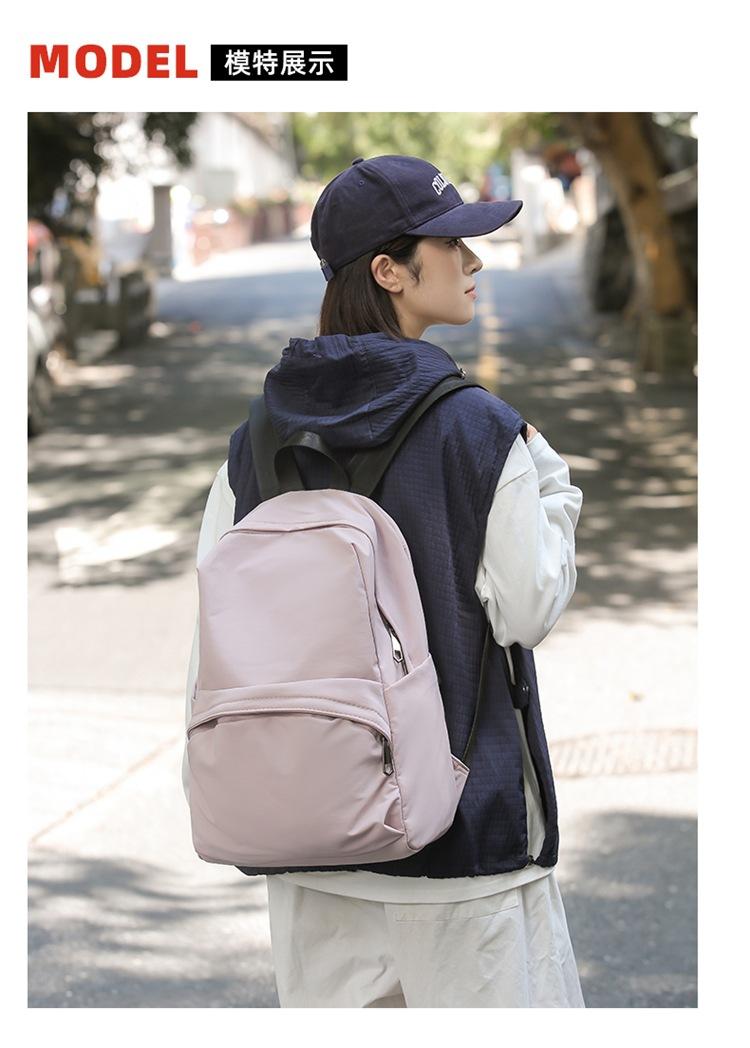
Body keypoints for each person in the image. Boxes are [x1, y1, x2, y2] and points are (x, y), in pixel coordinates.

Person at [182, 154, 585, 1008]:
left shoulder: (253, 444)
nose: (473, 262)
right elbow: (527, 608)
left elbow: (216, 627)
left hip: (308, 844)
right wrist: (552, 487)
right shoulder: (477, 428)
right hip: (462, 852)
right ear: (388, 271)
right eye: (452, 244)